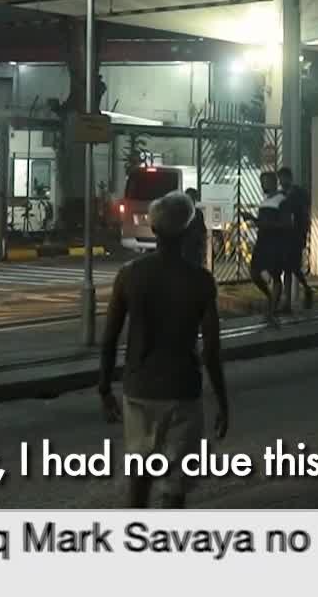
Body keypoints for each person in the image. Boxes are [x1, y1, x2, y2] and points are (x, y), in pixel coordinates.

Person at [98, 191, 230, 508]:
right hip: (183, 390)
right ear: (187, 231)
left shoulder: (129, 275)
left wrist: (104, 387)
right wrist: (223, 401)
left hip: (140, 389)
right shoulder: (200, 281)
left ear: (153, 230)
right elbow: (211, 348)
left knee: (140, 481)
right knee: (175, 488)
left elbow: (111, 336)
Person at [249, 171, 289, 326]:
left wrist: (266, 224)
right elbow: (263, 221)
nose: (262, 186)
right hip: (262, 241)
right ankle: (270, 297)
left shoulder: (282, 200)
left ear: (273, 182)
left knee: (275, 274)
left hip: (275, 243)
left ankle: (272, 310)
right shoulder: (265, 200)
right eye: (261, 183)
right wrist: (254, 220)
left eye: (265, 182)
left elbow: (286, 224)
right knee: (254, 272)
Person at [276, 166, 315, 312]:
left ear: (289, 178)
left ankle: (305, 289)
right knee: (287, 268)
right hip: (284, 234)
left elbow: (304, 213)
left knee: (293, 267)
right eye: (280, 179)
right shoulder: (281, 194)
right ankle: (287, 301)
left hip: (296, 234)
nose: (282, 181)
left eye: (283, 178)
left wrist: (303, 232)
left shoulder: (299, 193)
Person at [184, 187, 209, 269]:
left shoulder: (198, 213)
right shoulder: (183, 212)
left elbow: (203, 232)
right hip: (188, 249)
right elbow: (203, 233)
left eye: (194, 198)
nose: (193, 201)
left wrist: (204, 250)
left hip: (194, 249)